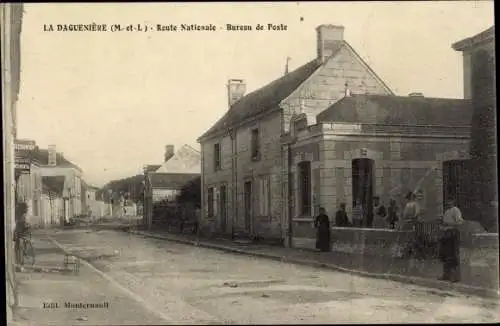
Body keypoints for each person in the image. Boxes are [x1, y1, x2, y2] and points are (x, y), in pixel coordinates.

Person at [438, 198, 464, 282]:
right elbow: (443, 224)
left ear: (453, 202)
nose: (448, 203)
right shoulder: (446, 212)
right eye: (447, 202)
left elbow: (460, 223)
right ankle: (446, 275)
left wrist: (449, 224)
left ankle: (456, 277)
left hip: (453, 233)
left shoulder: (455, 210)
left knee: (454, 255)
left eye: (450, 201)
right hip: (446, 234)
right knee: (445, 255)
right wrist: (441, 226)